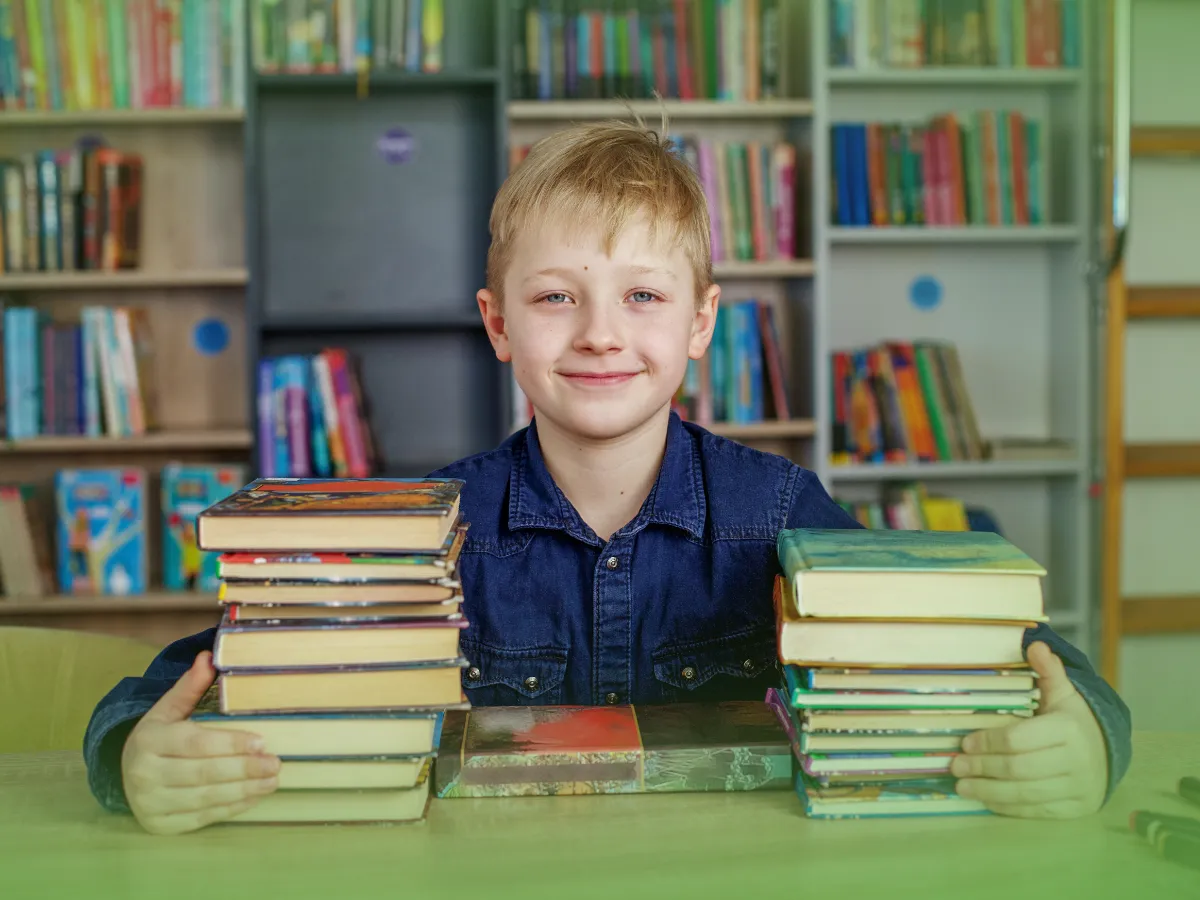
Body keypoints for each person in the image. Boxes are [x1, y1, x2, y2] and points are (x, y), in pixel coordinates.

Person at [84, 119, 1130, 835]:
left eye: (642, 295)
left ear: (701, 324)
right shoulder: (422, 531)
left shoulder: (780, 511)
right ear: (497, 324)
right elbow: (196, 672)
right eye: (554, 298)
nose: (599, 335)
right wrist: (136, 755)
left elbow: (1006, 657)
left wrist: (1085, 734)